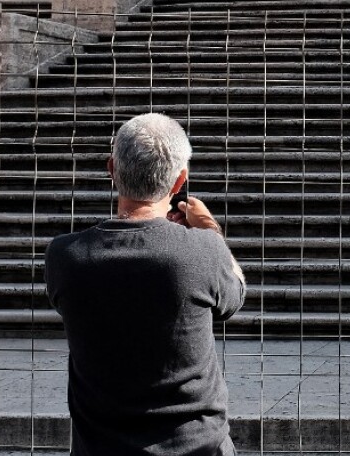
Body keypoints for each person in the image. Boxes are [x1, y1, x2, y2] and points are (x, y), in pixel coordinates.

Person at [45, 113, 246, 456]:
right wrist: (210, 230)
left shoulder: (65, 256)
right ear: (180, 179)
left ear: (112, 168)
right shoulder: (203, 250)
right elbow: (235, 294)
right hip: (198, 447)